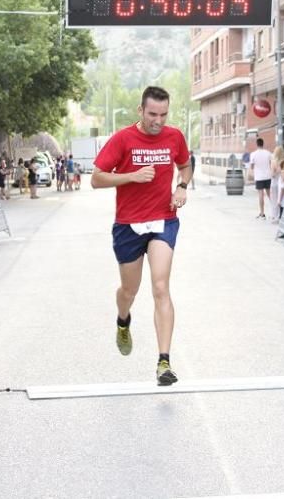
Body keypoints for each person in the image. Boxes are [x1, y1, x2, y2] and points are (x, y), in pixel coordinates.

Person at [92, 85, 191, 386]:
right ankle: (123, 319)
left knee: (161, 286)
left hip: (163, 220)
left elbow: (185, 165)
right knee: (129, 291)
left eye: (163, 114)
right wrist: (131, 176)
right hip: (129, 224)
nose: (158, 121)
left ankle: (164, 362)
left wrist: (182, 186)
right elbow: (96, 178)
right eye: (152, 114)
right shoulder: (123, 139)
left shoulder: (174, 136)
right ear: (140, 111)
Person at [247, 137, 272, 219]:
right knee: (270, 194)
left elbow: (252, 166)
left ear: (257, 144)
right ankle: (275, 211)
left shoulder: (253, 154)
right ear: (263, 144)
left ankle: (262, 213)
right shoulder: (268, 153)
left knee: (261, 195)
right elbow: (271, 163)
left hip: (259, 177)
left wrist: (251, 173)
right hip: (268, 176)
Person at [269, 145, 284, 222]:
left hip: (274, 182)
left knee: (274, 200)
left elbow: (272, 174)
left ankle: (274, 216)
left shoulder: (273, 162)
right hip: (282, 182)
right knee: (281, 199)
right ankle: (280, 215)